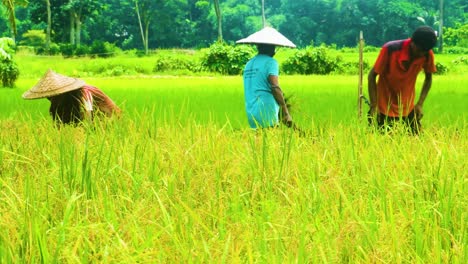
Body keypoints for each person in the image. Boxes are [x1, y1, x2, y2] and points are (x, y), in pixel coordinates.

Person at [367, 26, 437, 134]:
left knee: (417, 142)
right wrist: (374, 105)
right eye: (419, 50)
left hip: (408, 108)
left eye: (424, 51)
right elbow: (372, 76)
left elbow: (428, 79)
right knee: (381, 143)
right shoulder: (390, 49)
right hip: (384, 107)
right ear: (412, 42)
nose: (421, 54)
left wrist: (419, 104)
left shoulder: (427, 54)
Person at [23, 69, 121, 125]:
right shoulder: (65, 99)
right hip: (94, 117)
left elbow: (88, 115)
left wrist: (85, 133)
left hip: (110, 117)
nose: (50, 98)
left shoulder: (84, 92)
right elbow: (58, 117)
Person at [243, 43, 292, 128]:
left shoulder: (248, 64)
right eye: (273, 46)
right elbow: (275, 87)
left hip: (251, 112)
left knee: (257, 139)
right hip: (267, 112)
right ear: (269, 47)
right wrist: (285, 112)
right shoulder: (271, 62)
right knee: (272, 139)